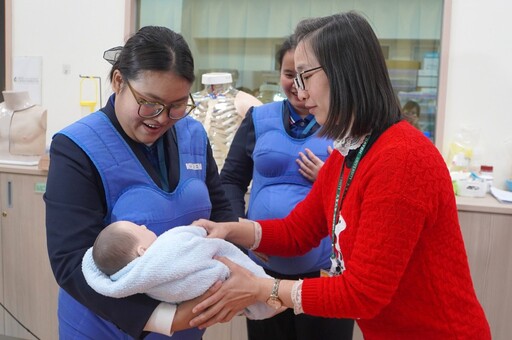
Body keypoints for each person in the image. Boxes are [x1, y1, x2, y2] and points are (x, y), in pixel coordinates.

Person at [190, 12, 491, 339]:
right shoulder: (349, 153)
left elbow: (364, 294)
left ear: (343, 72)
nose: (301, 93)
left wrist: (264, 289)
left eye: (305, 76)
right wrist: (233, 229)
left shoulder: (401, 157)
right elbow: (298, 232)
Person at [44, 26, 238, 339]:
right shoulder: (77, 147)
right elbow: (70, 262)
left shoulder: (193, 134)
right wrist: (165, 319)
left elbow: (220, 210)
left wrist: (238, 273)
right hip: (106, 326)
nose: (161, 117)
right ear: (119, 81)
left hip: (189, 322)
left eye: (177, 105)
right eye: (150, 102)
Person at [220, 34, 353, 340]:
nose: (297, 84)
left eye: (305, 75)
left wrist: (330, 180)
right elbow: (230, 180)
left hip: (325, 273)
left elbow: (364, 196)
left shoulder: (346, 124)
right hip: (262, 270)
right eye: (289, 74)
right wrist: (243, 237)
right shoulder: (258, 118)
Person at [82, 221, 278, 320]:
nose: (143, 225)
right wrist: (198, 231)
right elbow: (192, 240)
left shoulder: (145, 285)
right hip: (224, 274)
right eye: (138, 228)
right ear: (142, 251)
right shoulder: (168, 247)